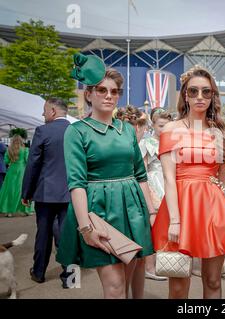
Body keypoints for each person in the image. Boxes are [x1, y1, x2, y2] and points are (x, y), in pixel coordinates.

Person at [56, 53, 154, 299]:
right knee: (115, 287)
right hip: (98, 211)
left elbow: (140, 175)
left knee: (129, 282)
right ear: (88, 94)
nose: (109, 95)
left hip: (132, 211)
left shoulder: (126, 131)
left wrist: (151, 213)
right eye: (102, 90)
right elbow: (76, 183)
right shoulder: (76, 131)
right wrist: (85, 227)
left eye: (114, 91)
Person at [151, 65, 225, 299]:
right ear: (185, 95)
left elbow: (224, 177)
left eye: (206, 92)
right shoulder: (171, 129)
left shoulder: (220, 132)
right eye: (193, 91)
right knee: (179, 284)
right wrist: (174, 221)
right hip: (180, 207)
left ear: (213, 96)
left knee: (213, 281)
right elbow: (169, 179)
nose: (200, 97)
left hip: (213, 208)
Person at [21, 98, 71, 287]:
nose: (43, 115)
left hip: (45, 192)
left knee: (43, 234)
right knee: (68, 235)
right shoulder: (77, 130)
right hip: (70, 193)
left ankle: (39, 273)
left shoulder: (43, 131)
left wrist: (26, 192)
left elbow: (33, 164)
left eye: (44, 110)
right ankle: (71, 278)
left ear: (52, 111)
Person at [140, 107, 172, 280]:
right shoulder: (146, 143)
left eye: (167, 126)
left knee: (167, 226)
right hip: (154, 184)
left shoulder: (172, 142)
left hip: (169, 183)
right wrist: (150, 192)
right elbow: (142, 171)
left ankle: (166, 263)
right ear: (153, 125)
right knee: (152, 227)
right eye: (161, 126)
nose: (164, 130)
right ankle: (149, 267)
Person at [0, 135, 34, 216]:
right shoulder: (25, 150)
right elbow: (27, 160)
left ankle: (9, 211)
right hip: (22, 171)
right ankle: (25, 210)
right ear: (21, 141)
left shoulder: (9, 150)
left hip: (11, 171)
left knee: (10, 190)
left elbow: (6, 161)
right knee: (22, 190)